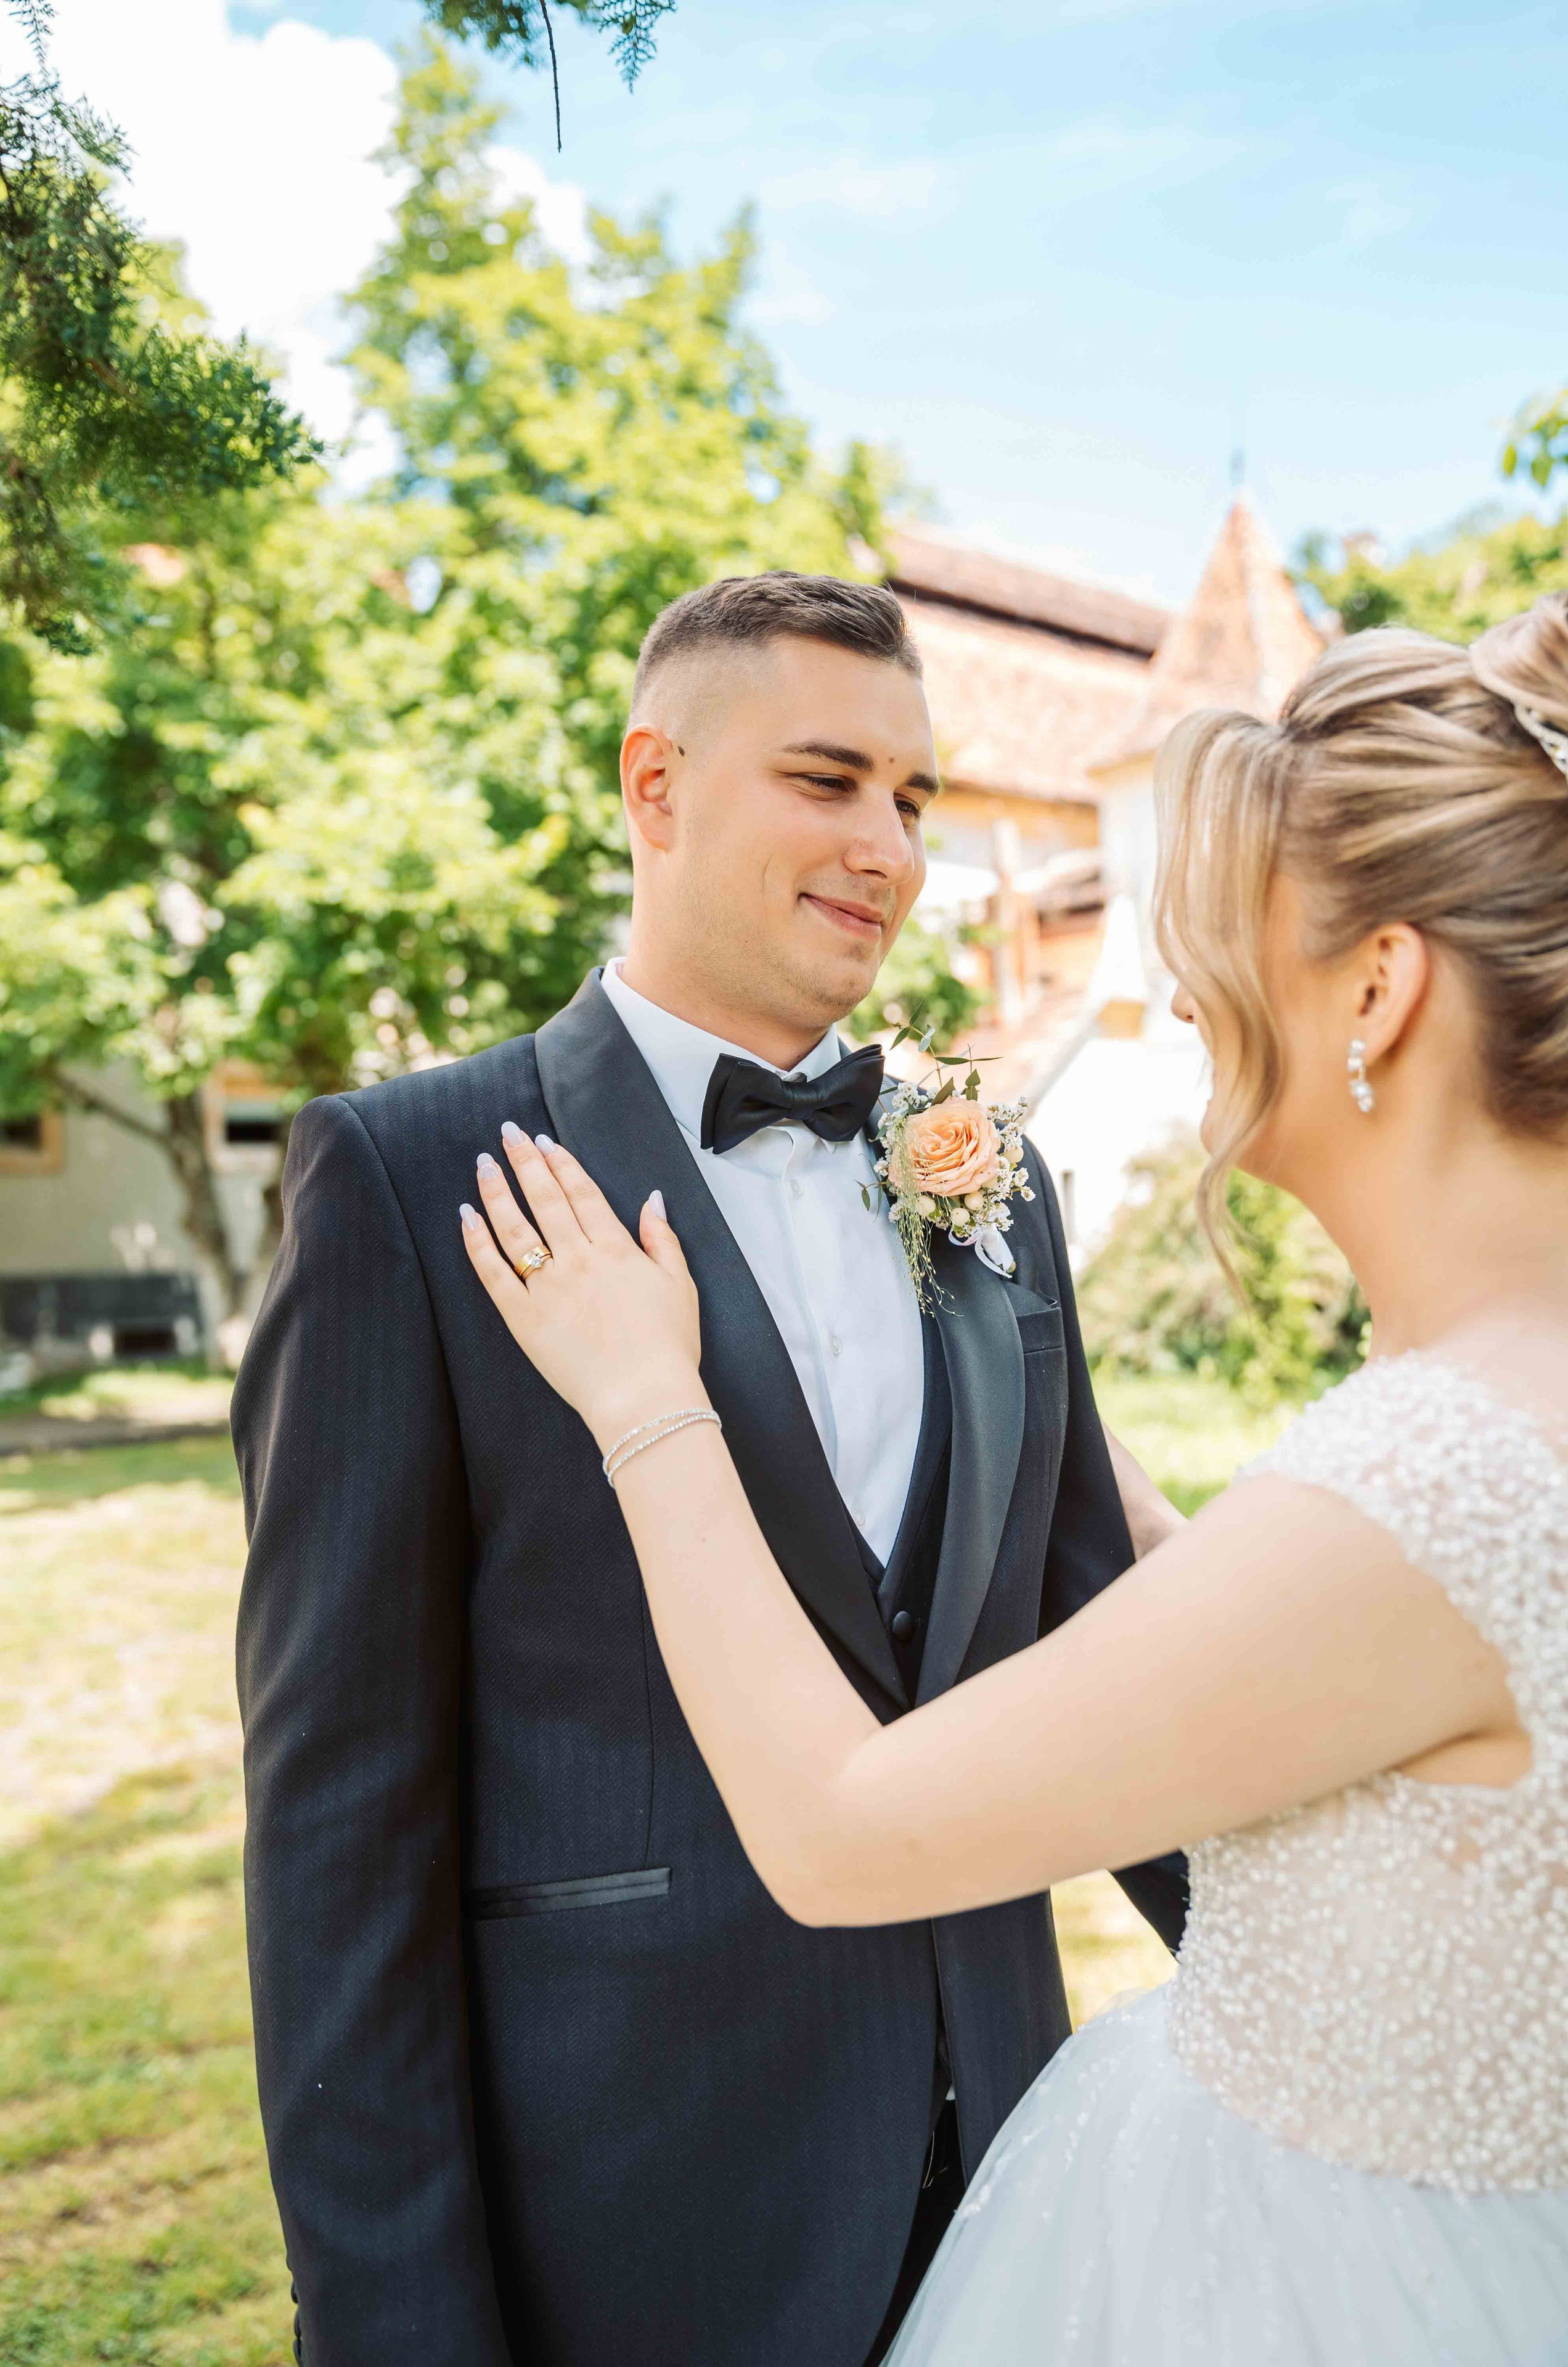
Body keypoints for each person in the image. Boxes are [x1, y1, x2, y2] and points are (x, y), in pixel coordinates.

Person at [461, 592, 1568, 2364]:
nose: (1191, 994)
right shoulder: (1496, 1422)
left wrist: (645, 1401)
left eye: (1231, 943)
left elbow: (845, 1830)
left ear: (1379, 986)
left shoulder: (1427, 1478)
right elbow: (1265, 1660)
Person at [232, 570, 1187, 2367]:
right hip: (633, 2215)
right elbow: (340, 1824)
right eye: (826, 781)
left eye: (913, 799)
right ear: (654, 787)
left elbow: (1101, 1651)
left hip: (1018, 2191)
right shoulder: (414, 1178)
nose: (889, 849)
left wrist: (1343, 1973)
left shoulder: (995, 1182)